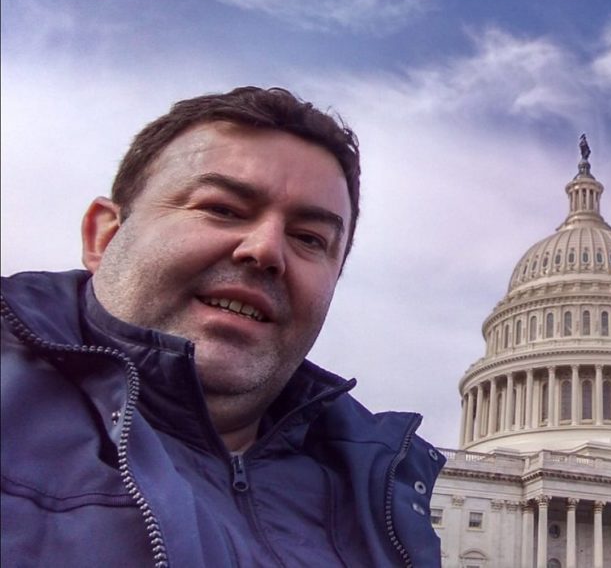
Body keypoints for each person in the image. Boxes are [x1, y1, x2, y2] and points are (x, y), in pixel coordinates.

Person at [0, 86, 445, 567]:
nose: (266, 250)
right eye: (222, 209)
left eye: (309, 238)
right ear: (104, 235)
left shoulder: (386, 504)